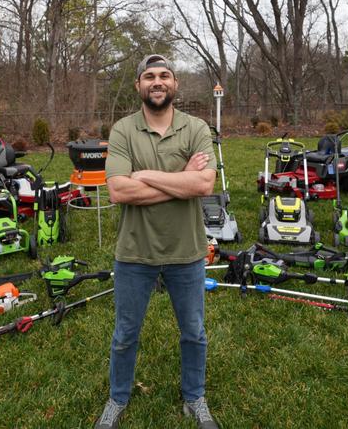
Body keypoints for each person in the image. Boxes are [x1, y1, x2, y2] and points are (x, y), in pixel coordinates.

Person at [94, 54, 219, 429]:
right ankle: (118, 399)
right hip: (135, 252)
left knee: (194, 332)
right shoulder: (123, 131)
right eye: (149, 76)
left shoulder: (195, 127)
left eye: (164, 75)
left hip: (187, 252)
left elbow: (204, 184)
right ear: (139, 85)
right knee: (124, 334)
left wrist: (145, 175)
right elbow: (118, 191)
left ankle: (194, 398)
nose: (157, 81)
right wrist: (180, 179)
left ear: (175, 84)